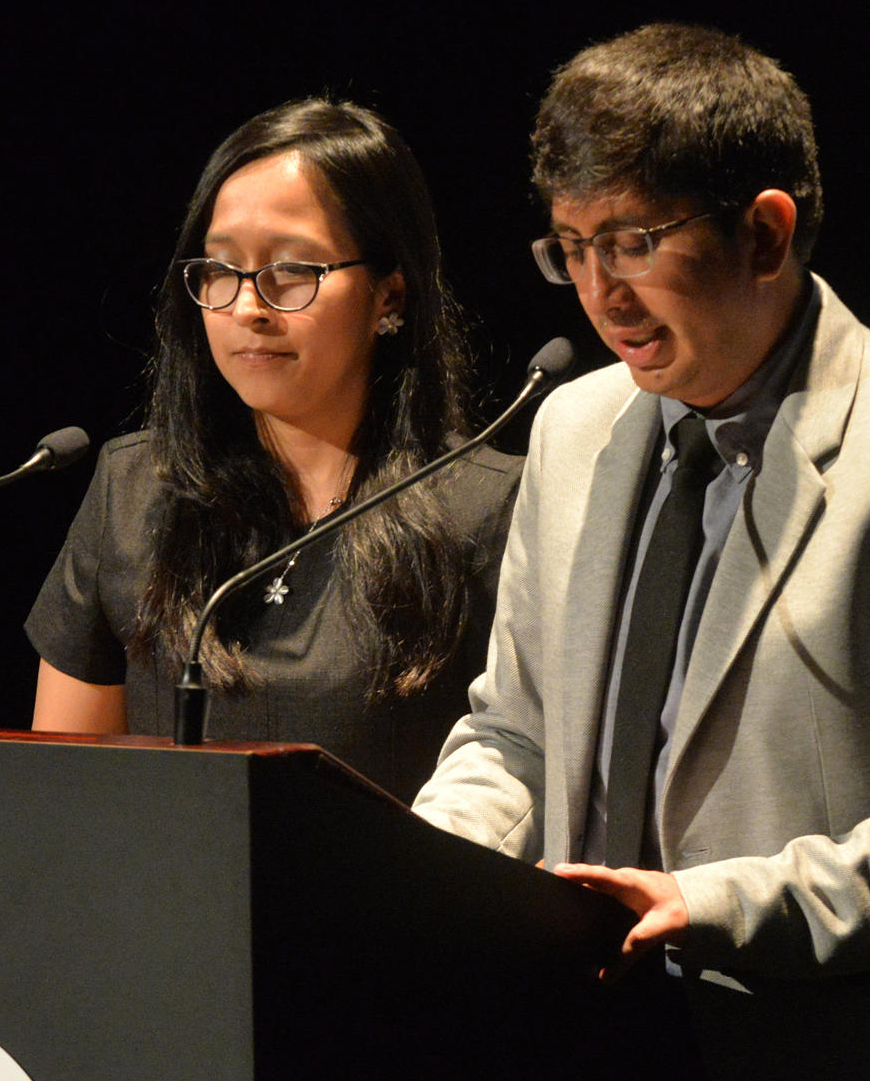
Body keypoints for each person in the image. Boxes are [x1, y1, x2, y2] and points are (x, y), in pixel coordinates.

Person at [411, 23, 870, 1081]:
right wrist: (429, 871)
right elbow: (514, 734)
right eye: (571, 247)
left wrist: (736, 905)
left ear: (766, 232)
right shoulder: (574, 429)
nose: (601, 293)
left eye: (634, 241)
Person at [27, 99, 518, 803]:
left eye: (292, 269)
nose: (247, 306)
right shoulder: (135, 488)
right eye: (221, 269)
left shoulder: (487, 506)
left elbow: (525, 779)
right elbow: (61, 792)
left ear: (390, 296)